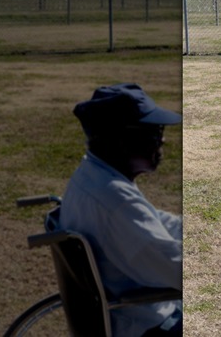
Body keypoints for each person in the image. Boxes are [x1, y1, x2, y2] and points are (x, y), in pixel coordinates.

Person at [60, 83, 182, 336]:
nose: (163, 140)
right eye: (155, 132)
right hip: (148, 325)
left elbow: (152, 222)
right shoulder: (114, 200)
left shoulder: (92, 176)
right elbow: (174, 269)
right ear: (122, 139)